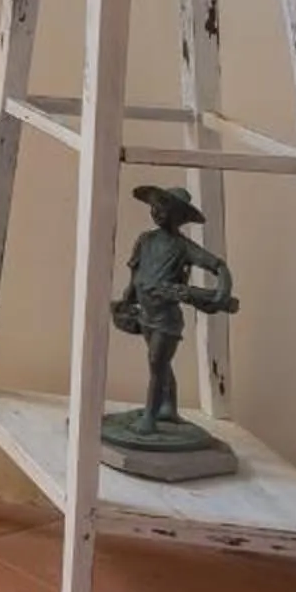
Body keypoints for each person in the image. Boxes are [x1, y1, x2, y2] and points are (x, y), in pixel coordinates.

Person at [110, 184, 237, 435]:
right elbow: (136, 273)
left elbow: (218, 266)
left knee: (156, 362)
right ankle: (168, 406)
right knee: (162, 364)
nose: (157, 213)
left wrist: (222, 292)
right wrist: (127, 298)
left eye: (164, 209)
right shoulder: (145, 239)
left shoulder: (183, 247)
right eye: (155, 208)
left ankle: (149, 417)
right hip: (146, 313)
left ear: (179, 217)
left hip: (166, 319)